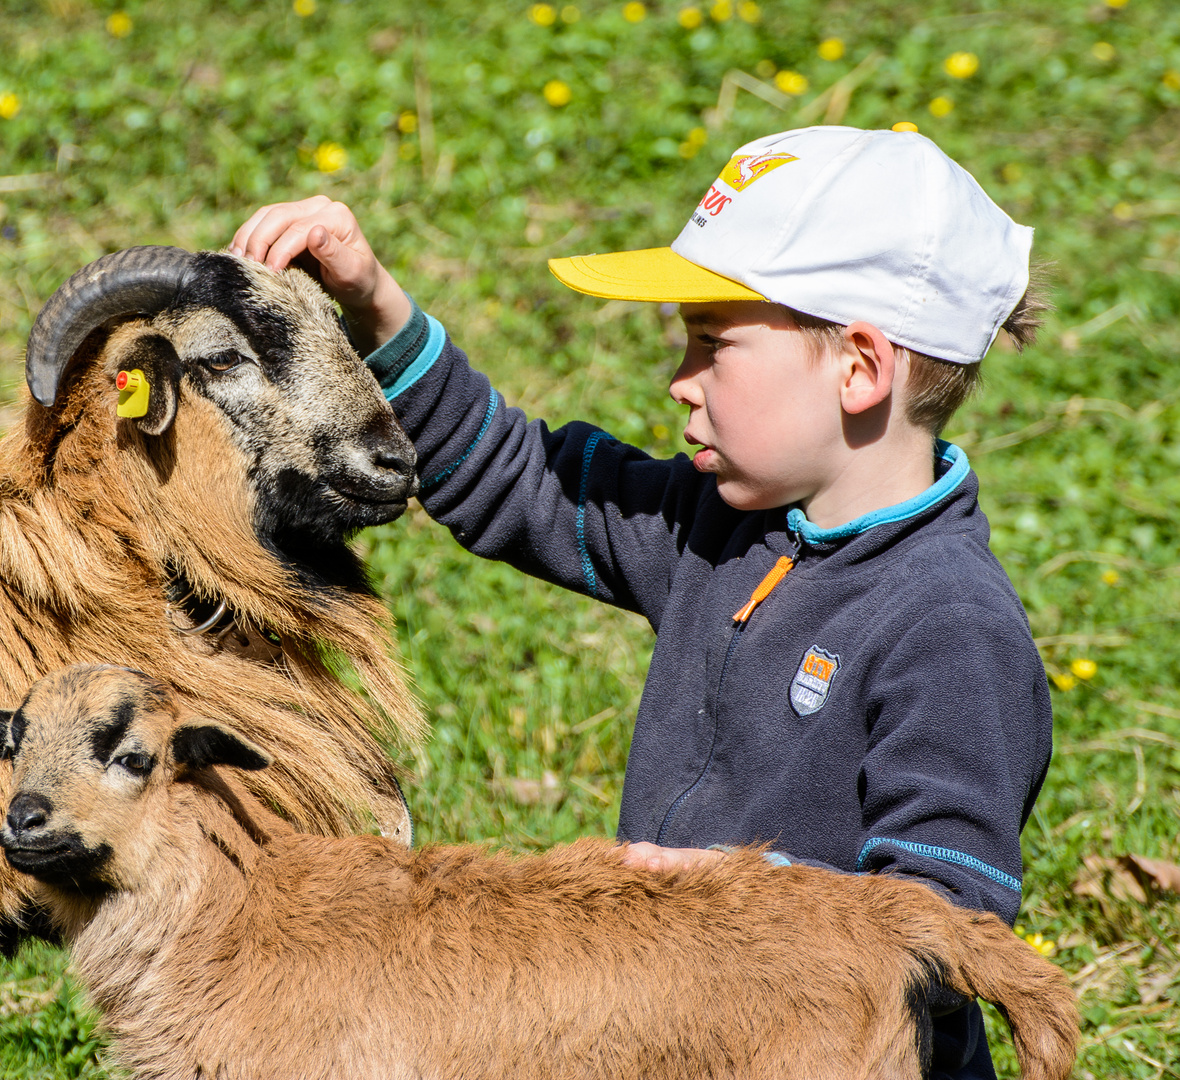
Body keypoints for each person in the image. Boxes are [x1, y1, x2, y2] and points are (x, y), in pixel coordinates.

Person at [230, 125, 1052, 1080]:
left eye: (712, 345)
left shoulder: (948, 624)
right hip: (679, 1033)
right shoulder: (721, 527)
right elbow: (517, 479)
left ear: (860, 368)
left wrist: (741, 897)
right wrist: (374, 303)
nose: (679, 383)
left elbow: (953, 916)